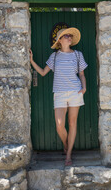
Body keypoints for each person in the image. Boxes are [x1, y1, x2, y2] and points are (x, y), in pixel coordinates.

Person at [29, 27, 88, 166]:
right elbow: (43, 72)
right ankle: (66, 144)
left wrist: (84, 88)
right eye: (66, 35)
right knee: (60, 126)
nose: (69, 37)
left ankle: (68, 155)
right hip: (59, 93)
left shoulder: (78, 55)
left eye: (70, 36)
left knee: (72, 123)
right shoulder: (54, 56)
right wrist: (31, 61)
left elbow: (82, 75)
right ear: (60, 40)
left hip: (75, 92)